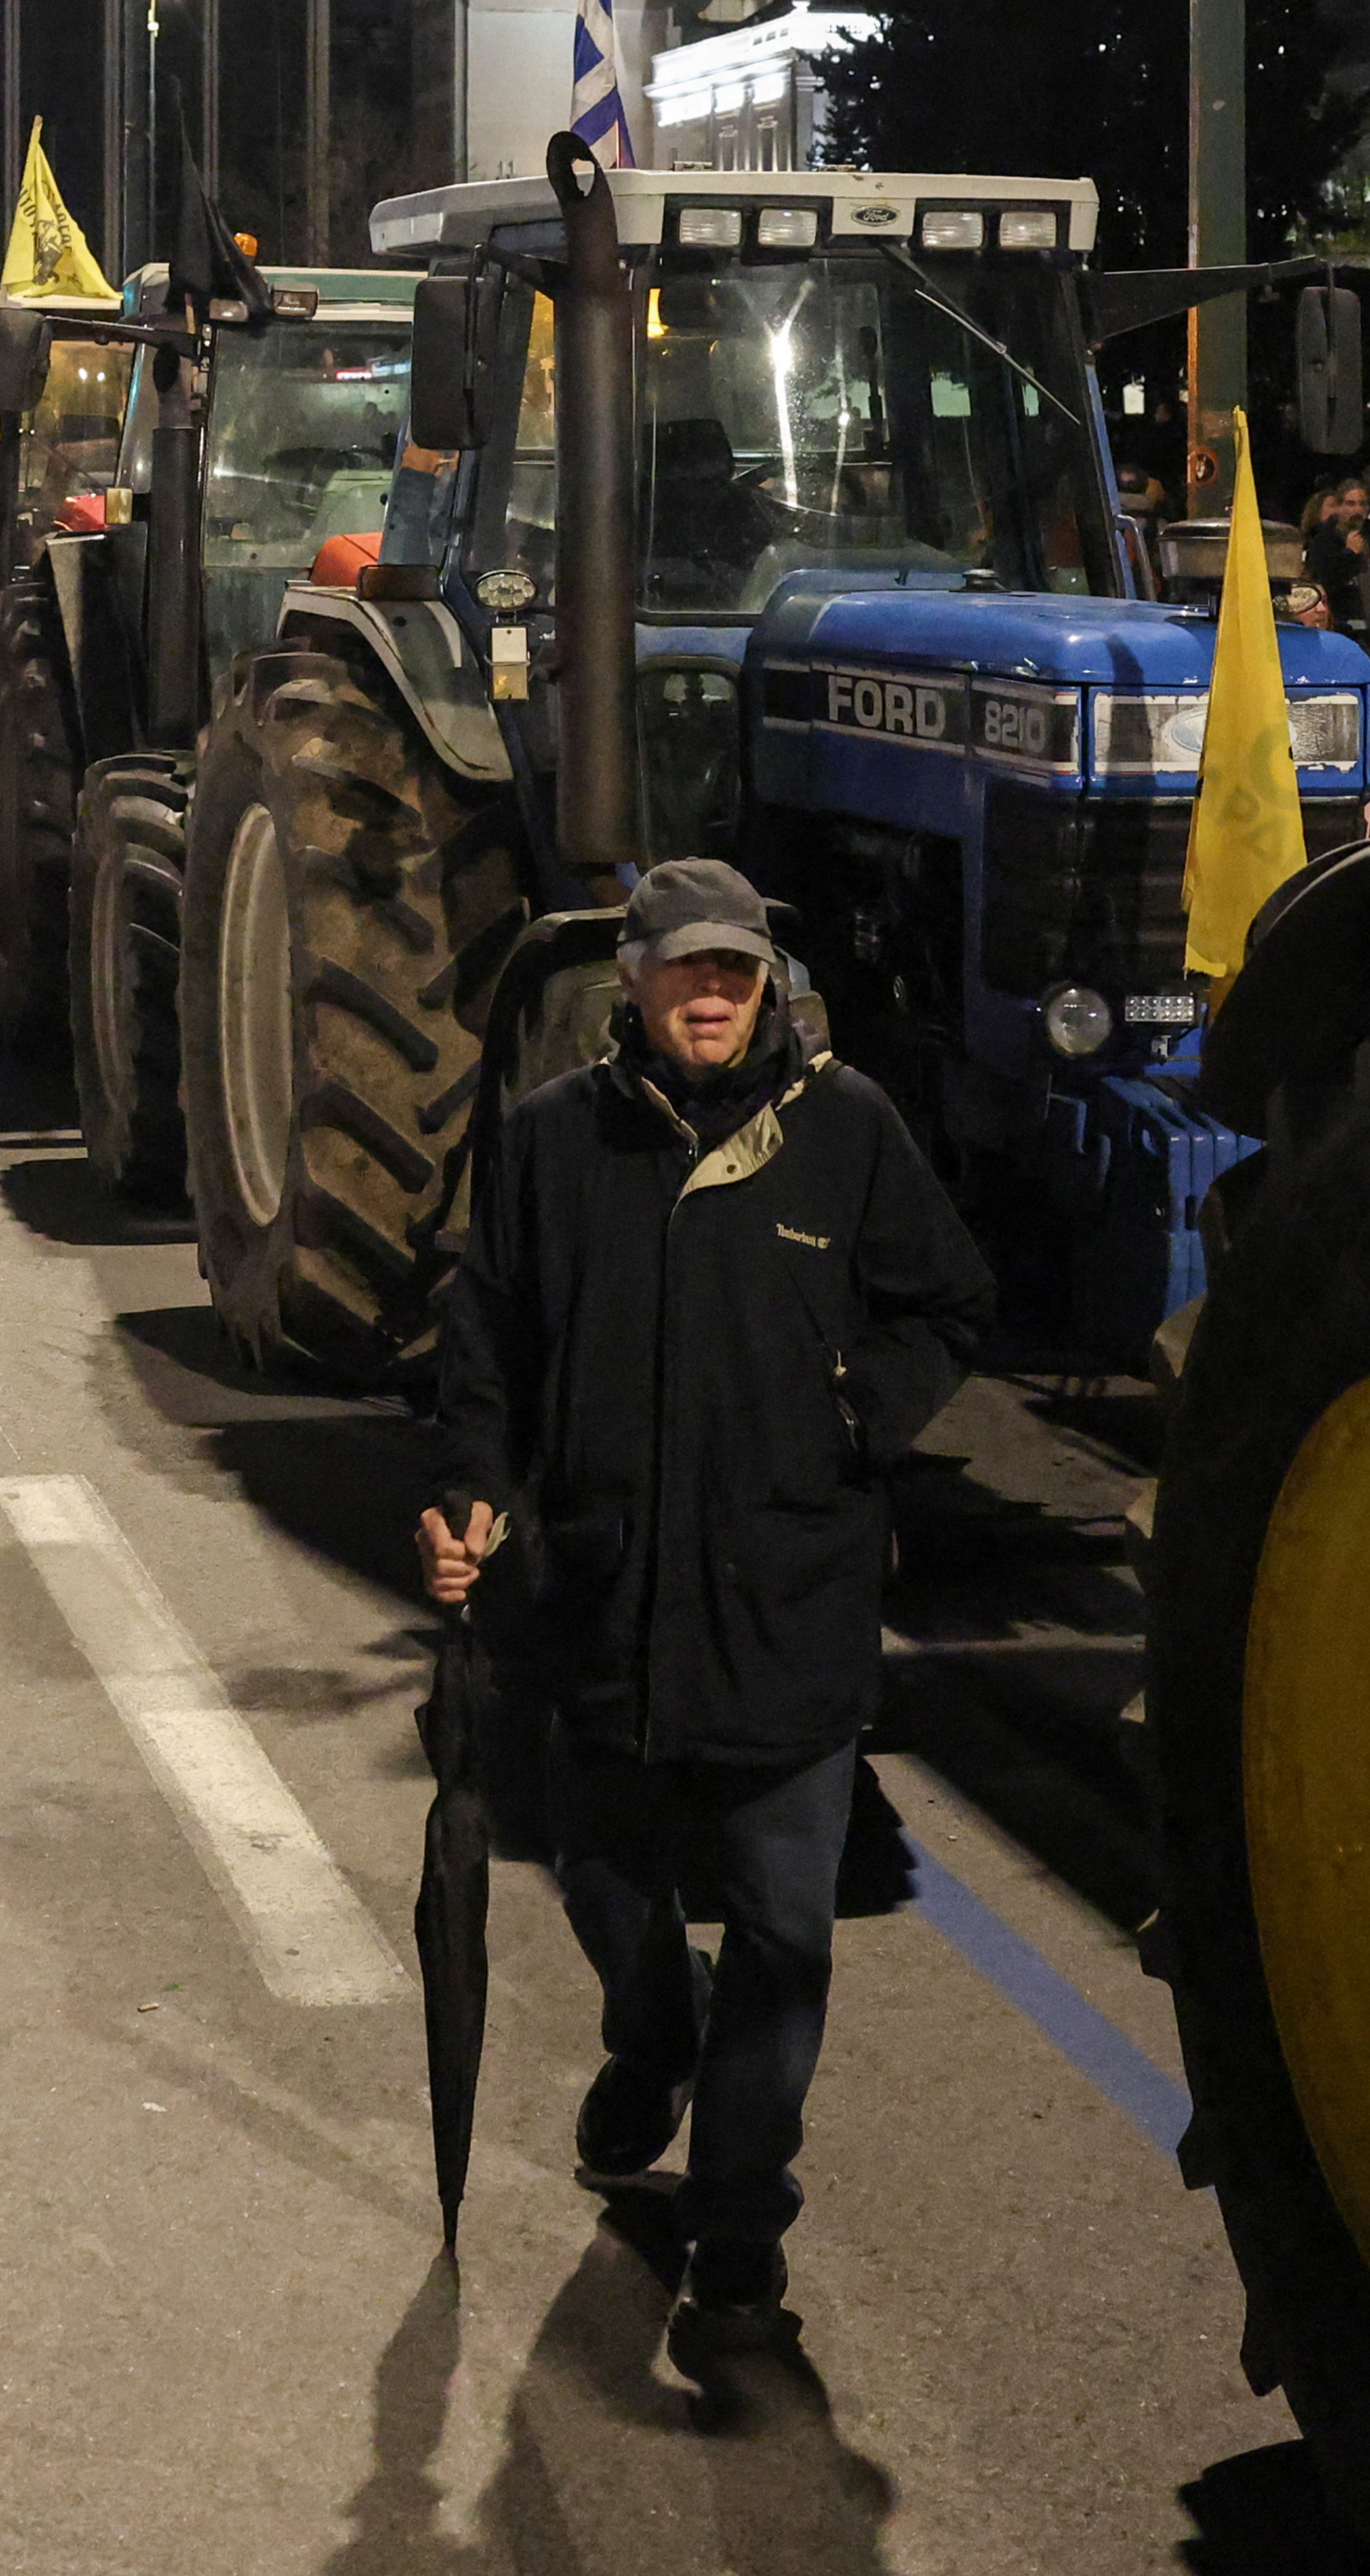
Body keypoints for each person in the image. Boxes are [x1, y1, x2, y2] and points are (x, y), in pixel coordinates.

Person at [421, 857, 996, 2365]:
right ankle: (650, 2029)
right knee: (610, 1891)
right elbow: (483, 1332)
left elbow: (946, 1299)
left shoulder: (846, 1132)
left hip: (786, 1614)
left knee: (786, 1939)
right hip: (605, 1610)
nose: (715, 996)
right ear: (632, 978)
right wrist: (470, 1489)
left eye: (737, 972)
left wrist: (856, 1412)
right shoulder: (553, 1144)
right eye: (688, 971)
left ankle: (738, 2231)